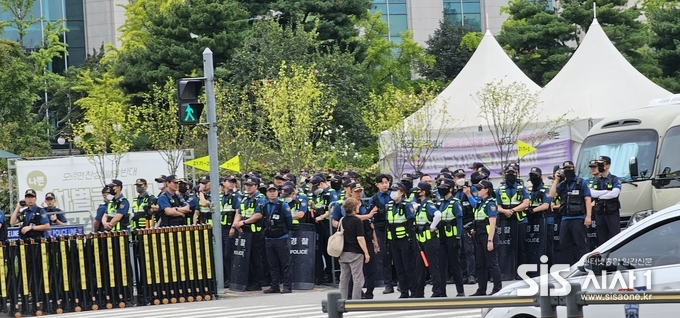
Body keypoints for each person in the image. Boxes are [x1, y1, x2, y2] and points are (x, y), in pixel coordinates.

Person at [549, 161, 593, 266]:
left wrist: (588, 216)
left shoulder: (581, 182)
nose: (568, 170)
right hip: (565, 218)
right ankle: (571, 266)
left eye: (570, 168)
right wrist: (557, 179)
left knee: (580, 244)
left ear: (573, 169)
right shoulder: (562, 185)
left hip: (578, 218)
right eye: (565, 168)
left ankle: (584, 265)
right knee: (563, 244)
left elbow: (587, 199)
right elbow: (551, 194)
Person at [232, 177, 266, 291]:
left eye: (251, 185)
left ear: (256, 186)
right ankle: (250, 280)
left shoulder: (260, 198)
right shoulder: (244, 198)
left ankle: (258, 282)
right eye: (247, 185)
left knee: (256, 258)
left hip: (256, 232)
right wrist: (236, 224)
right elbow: (239, 213)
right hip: (245, 232)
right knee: (248, 257)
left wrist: (243, 222)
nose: (248, 187)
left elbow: (258, 215)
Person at [495, 165, 530, 272]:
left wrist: (513, 210)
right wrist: (505, 211)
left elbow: (526, 203)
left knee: (521, 248)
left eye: (513, 173)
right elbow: (497, 205)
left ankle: (521, 272)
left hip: (520, 221)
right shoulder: (499, 190)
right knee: (506, 248)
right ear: (504, 174)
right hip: (505, 222)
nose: (511, 175)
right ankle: (508, 271)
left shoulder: (521, 188)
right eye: (508, 173)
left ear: (516, 174)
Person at [260, 184, 294, 294]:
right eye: (270, 191)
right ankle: (275, 285)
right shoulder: (264, 206)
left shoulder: (283, 205)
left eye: (274, 191)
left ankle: (287, 286)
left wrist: (284, 232)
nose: (272, 193)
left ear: (277, 192)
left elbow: (289, 221)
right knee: (272, 264)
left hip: (281, 238)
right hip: (269, 238)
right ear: (266, 193)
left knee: (285, 263)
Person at [470, 180, 502, 296]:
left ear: (487, 190)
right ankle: (481, 289)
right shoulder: (480, 203)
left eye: (480, 189)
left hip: (488, 237)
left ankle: (497, 289)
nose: (478, 191)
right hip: (479, 237)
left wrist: (490, 240)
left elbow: (492, 223)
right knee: (479, 264)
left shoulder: (491, 203)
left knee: (492, 264)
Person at [412, 182, 443, 298]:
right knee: (419, 268)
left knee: (433, 267)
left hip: (430, 241)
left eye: (418, 190)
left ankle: (437, 292)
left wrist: (432, 227)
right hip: (421, 242)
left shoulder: (429, 205)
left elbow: (438, 215)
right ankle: (419, 293)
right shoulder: (421, 205)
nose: (416, 192)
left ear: (423, 192)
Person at [386, 183, 416, 298]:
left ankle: (413, 291)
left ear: (402, 192)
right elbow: (387, 224)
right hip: (393, 240)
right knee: (399, 268)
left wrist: (410, 239)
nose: (393, 192)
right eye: (392, 190)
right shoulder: (389, 206)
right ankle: (404, 292)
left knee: (409, 267)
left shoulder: (407, 205)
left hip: (405, 240)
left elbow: (411, 223)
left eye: (395, 190)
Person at [436, 179, 465, 297]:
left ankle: (460, 291)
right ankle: (442, 292)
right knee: (441, 265)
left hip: (452, 238)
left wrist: (458, 237)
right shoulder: (441, 203)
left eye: (445, 187)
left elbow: (459, 221)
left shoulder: (455, 203)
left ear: (451, 189)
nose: (442, 189)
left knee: (455, 265)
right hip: (442, 238)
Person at [337, 198, 370, 300]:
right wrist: (366, 252)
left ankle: (342, 300)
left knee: (344, 278)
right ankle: (356, 300)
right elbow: (360, 238)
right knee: (357, 278)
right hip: (355, 252)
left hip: (343, 252)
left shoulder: (342, 220)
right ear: (354, 208)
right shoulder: (357, 221)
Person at [368, 173, 394, 294]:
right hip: (381, 229)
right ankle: (388, 284)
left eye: (386, 182)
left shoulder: (393, 195)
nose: (385, 185)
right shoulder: (373, 198)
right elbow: (371, 216)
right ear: (377, 185)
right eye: (382, 183)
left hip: (394, 228)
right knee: (384, 257)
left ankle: (400, 282)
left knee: (398, 256)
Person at [453, 169, 478, 285]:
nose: (460, 179)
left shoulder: (472, 189)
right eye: (458, 177)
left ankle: (471, 275)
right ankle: (463, 275)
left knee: (469, 251)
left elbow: (476, 205)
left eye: (462, 176)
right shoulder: (453, 192)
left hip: (469, 224)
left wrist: (468, 195)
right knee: (460, 251)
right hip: (458, 224)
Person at [590, 156, 622, 245]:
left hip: (611, 213)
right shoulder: (596, 180)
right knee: (601, 239)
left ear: (607, 165)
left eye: (601, 163)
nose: (599, 165)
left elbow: (614, 194)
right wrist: (605, 192)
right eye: (598, 163)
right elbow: (592, 193)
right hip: (600, 213)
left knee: (615, 238)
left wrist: (599, 196)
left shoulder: (615, 179)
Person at [527, 167, 552, 272]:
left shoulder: (546, 189)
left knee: (543, 246)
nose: (533, 178)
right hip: (531, 220)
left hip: (542, 219)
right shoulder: (529, 190)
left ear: (540, 176)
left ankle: (544, 269)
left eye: (535, 175)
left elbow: (546, 205)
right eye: (531, 175)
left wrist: (533, 210)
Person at [221, 175, 241, 287]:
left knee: (228, 254)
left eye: (233, 182)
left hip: (229, 228)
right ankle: (226, 278)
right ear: (224, 183)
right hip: (221, 228)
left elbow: (238, 212)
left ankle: (231, 278)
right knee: (223, 254)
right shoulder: (221, 197)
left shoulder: (235, 196)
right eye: (229, 182)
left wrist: (233, 227)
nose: (232, 184)